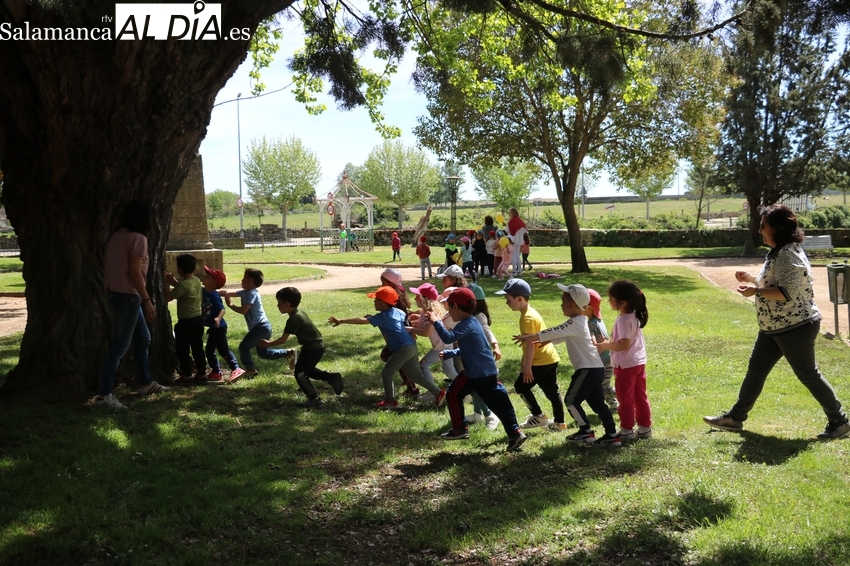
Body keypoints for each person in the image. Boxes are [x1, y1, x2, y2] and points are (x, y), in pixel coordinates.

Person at [704, 204, 850, 439]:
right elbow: (774, 282)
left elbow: (787, 292)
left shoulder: (788, 254)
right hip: (774, 326)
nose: (760, 230)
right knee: (756, 371)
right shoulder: (779, 251)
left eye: (764, 226)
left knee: (808, 375)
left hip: (795, 327)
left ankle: (840, 422)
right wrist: (753, 279)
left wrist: (755, 291)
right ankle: (735, 418)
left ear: (778, 228)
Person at [515, 283, 620, 446]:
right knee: (597, 403)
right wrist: (544, 339)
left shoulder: (575, 322)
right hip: (595, 368)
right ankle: (612, 434)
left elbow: (557, 330)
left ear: (571, 305)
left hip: (588, 369)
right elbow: (561, 336)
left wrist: (534, 337)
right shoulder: (579, 322)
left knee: (571, 400)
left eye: (562, 301)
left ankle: (586, 431)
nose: (561, 304)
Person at [425, 287, 527, 451]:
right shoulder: (473, 322)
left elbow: (448, 337)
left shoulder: (466, 323)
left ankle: (459, 429)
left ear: (456, 307)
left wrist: (436, 321)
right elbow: (473, 349)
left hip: (475, 372)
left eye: (449, 308)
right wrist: (452, 353)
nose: (449, 312)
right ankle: (515, 433)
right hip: (489, 371)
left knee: (453, 393)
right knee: (499, 402)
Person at [97, 199, 170, 408]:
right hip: (129, 296)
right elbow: (135, 273)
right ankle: (104, 395)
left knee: (143, 338)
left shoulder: (117, 236)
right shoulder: (138, 239)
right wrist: (147, 300)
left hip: (115, 292)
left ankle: (145, 382)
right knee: (119, 346)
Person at [329, 286, 446, 408]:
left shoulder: (382, 317)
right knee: (416, 376)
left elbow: (360, 320)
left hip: (403, 349)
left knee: (387, 372)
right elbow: (400, 319)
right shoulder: (397, 312)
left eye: (376, 299)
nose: (374, 301)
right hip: (412, 346)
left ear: (383, 303)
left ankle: (390, 401)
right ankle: (438, 393)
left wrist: (341, 320)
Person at [495, 278, 565, 432]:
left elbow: (531, 344)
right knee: (551, 391)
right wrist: (524, 361)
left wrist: (527, 368)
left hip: (540, 361)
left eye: (508, 299)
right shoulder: (530, 312)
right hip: (550, 358)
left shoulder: (527, 317)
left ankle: (538, 416)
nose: (506, 303)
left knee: (520, 386)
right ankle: (560, 423)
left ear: (519, 299)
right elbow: (528, 343)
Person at [258, 287, 344, 408]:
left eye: (279, 302)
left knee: (300, 374)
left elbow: (282, 340)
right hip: (316, 346)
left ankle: (314, 398)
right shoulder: (299, 313)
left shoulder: (293, 319)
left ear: (286, 304)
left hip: (313, 349)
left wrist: (267, 344)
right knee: (306, 369)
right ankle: (331, 377)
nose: (277, 305)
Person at [596, 280, 652, 440]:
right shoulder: (633, 316)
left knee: (625, 398)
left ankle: (627, 429)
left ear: (622, 302)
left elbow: (624, 344)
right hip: (638, 362)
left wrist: (606, 345)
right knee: (640, 396)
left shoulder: (623, 320)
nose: (609, 301)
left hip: (626, 366)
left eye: (611, 298)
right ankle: (645, 428)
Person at [221, 268, 293, 382]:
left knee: (243, 347)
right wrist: (210, 291)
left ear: (249, 280)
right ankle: (288, 353)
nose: (241, 280)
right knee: (263, 353)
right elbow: (227, 293)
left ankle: (251, 370)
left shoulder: (252, 293)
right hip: (263, 327)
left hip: (261, 327)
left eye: (243, 278)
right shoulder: (245, 292)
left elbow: (243, 310)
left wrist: (230, 304)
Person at [463, 283, 502, 431]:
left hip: (480, 358)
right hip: (472, 356)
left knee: (477, 387)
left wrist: (495, 345)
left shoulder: (479, 316)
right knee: (474, 387)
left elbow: (487, 331)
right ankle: (478, 413)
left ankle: (490, 414)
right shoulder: (469, 316)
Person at [164, 253, 206, 385]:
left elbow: (168, 297)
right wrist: (174, 282)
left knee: (182, 349)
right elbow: (185, 289)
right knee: (198, 347)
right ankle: (202, 373)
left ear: (179, 269)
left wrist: (166, 283)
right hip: (198, 320)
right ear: (194, 269)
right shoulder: (196, 281)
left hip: (186, 322)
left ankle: (187, 375)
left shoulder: (183, 285)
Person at [379, 267, 419, 396]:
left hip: (399, 334)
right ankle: (408, 378)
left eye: (383, 283)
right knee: (392, 357)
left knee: (389, 356)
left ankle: (412, 386)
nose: (381, 286)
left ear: (390, 284)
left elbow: (394, 318)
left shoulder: (393, 297)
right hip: (402, 332)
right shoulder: (398, 292)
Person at [201, 266, 245, 384]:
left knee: (221, 349)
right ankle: (216, 372)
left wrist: (218, 318)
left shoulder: (214, 296)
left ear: (214, 282)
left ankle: (236, 368)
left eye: (208, 276)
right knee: (211, 350)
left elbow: (222, 309)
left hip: (219, 327)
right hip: (214, 328)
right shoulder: (204, 290)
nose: (204, 276)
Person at [585, 288, 618, 411]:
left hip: (603, 361)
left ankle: (624, 394)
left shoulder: (590, 324)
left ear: (588, 308)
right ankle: (614, 406)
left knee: (602, 387)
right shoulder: (599, 321)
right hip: (610, 359)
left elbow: (592, 339)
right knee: (604, 384)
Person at [507, 207, 527, 277]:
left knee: (513, 255)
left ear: (512, 213)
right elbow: (525, 231)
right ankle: (519, 271)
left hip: (513, 239)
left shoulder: (511, 221)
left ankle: (514, 270)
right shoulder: (521, 221)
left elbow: (507, 230)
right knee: (517, 255)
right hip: (520, 240)